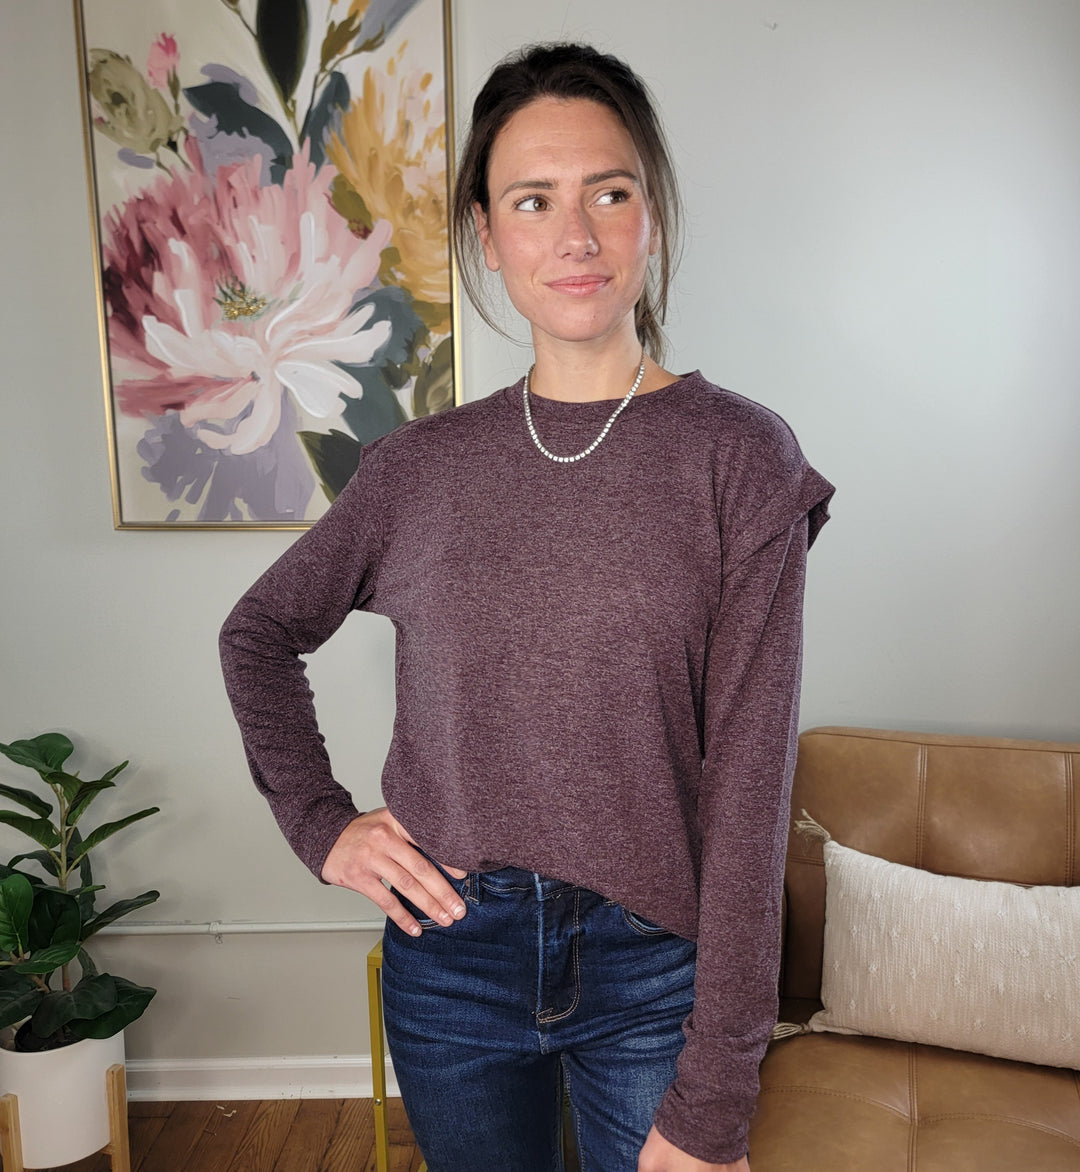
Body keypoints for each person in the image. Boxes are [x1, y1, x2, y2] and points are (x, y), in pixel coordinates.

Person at [220, 42, 834, 1172]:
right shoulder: (420, 470)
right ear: (490, 236)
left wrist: (718, 1096)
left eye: (610, 191)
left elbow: (752, 796)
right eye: (533, 201)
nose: (578, 235)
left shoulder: (740, 458)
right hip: (451, 956)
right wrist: (322, 821)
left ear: (652, 212)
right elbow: (256, 634)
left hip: (658, 963)